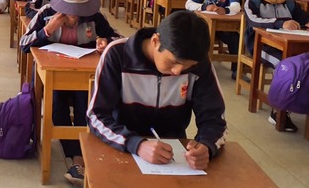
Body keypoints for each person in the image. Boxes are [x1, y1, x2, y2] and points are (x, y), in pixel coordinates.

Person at [87, 11, 226, 171]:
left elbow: (214, 118)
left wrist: (206, 146)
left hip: (173, 156)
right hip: (120, 148)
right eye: (173, 62)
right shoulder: (118, 55)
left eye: (188, 66)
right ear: (155, 41)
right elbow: (96, 115)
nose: (178, 71)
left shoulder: (199, 64)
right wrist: (136, 144)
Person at [20, 0, 121, 185]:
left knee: (86, 104)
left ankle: (83, 154)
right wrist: (47, 30)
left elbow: (119, 40)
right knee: (57, 104)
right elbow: (24, 43)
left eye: (79, 11)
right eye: (70, 10)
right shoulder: (47, 13)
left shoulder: (95, 17)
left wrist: (106, 42)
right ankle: (77, 158)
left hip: (83, 73)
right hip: (52, 72)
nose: (74, 16)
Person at [243, 0, 309, 131]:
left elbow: (307, 17)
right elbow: (254, 21)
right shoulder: (253, 1)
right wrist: (280, 23)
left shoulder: (288, 2)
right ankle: (278, 111)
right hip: (262, 45)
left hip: (290, 45)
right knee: (286, 66)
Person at [185, 0, 242, 80]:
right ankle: (197, 67)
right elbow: (188, 4)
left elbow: (236, 7)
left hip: (219, 26)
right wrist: (204, 7)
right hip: (201, 26)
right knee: (196, 37)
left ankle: (236, 70)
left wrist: (225, 10)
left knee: (234, 37)